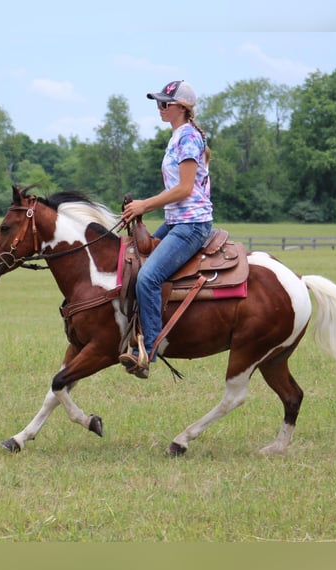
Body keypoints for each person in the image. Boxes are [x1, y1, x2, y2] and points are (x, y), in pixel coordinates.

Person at [119, 80, 213, 378]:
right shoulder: (179, 136)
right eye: (158, 103)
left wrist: (144, 205)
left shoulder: (187, 138)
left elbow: (185, 188)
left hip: (192, 224)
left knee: (148, 277)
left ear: (181, 108)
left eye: (164, 104)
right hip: (176, 220)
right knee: (133, 258)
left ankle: (149, 350)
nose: (159, 108)